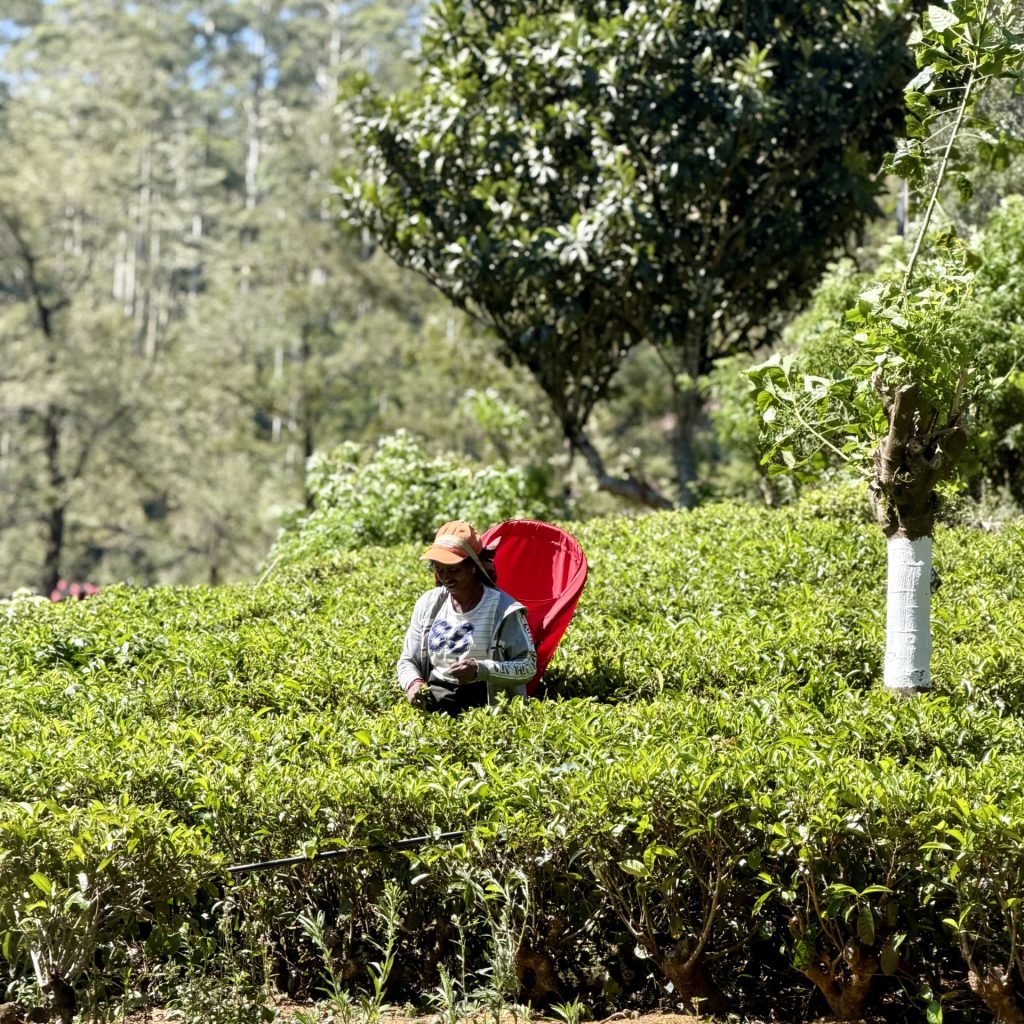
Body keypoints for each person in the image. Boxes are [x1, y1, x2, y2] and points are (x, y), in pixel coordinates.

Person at [398, 520, 536, 716]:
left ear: (473, 566)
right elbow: (408, 659)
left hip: (486, 706)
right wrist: (414, 683)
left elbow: (528, 666)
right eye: (439, 569)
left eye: (453, 570)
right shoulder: (428, 604)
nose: (446, 577)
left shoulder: (504, 609)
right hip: (435, 702)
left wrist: (480, 670)